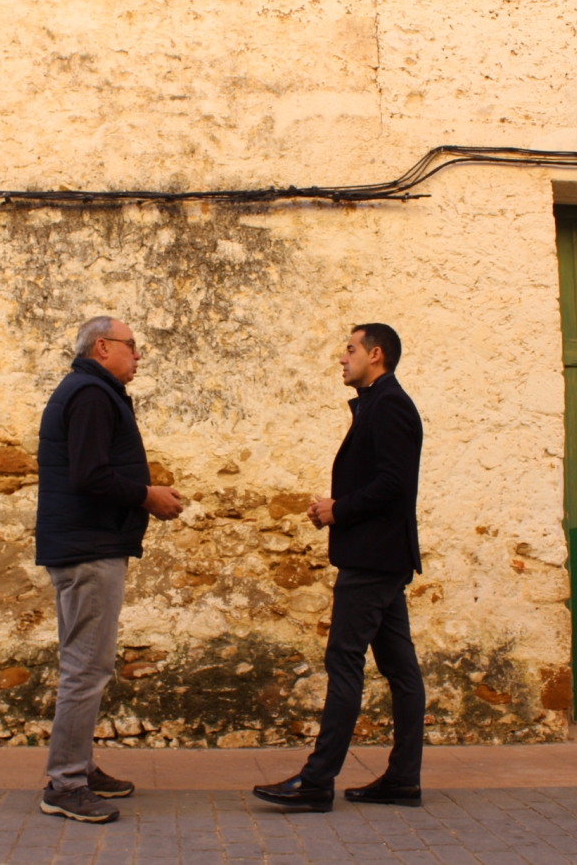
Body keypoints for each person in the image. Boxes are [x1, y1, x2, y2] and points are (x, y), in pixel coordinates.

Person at [253, 323, 426, 812]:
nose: (341, 358)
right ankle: (403, 780)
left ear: (375, 355)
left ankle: (316, 781)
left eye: (349, 350)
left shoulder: (389, 405)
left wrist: (339, 510)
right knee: (399, 668)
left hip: (372, 560)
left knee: (344, 661)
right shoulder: (378, 403)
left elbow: (394, 484)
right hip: (380, 557)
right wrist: (336, 506)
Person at [35, 316, 184, 824]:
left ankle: (78, 767)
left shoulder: (88, 390)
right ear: (103, 348)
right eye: (132, 347)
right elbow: (90, 475)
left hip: (86, 544)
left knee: (86, 664)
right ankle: (67, 782)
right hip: (88, 547)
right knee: (87, 668)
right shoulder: (93, 394)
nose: (138, 356)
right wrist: (148, 497)